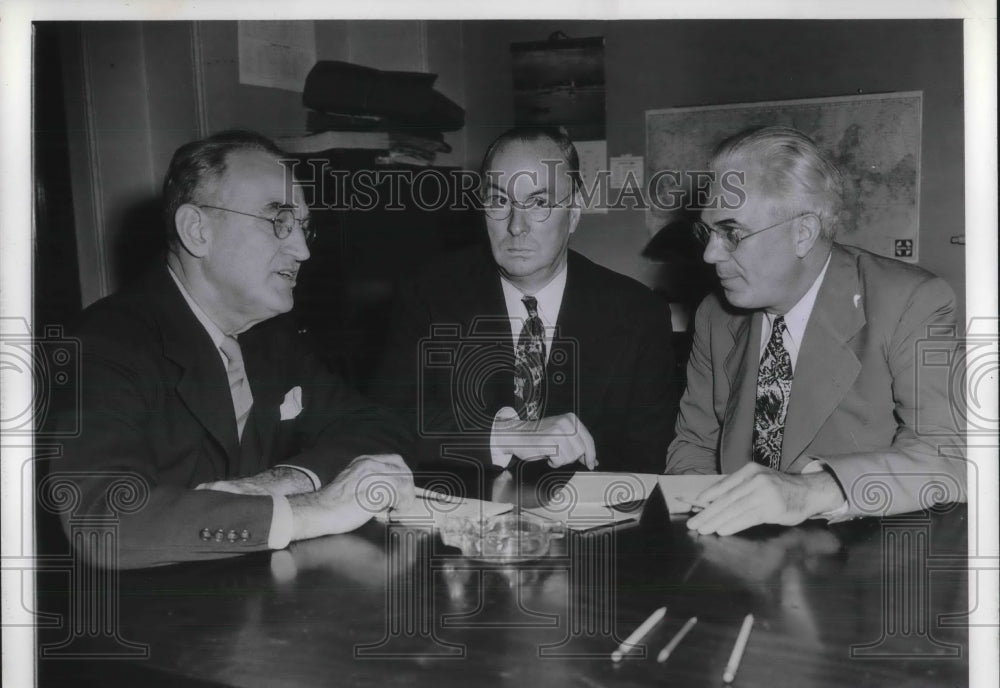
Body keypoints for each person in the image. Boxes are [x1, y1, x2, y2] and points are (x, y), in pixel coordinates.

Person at [50, 130, 415, 568]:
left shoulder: (269, 337)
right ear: (197, 231)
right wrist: (313, 509)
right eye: (278, 220)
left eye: (302, 226)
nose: (301, 249)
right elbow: (103, 520)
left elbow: (378, 425)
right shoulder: (103, 344)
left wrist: (283, 481)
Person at [666, 126, 965, 535]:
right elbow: (695, 447)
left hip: (861, 560)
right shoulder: (715, 315)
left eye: (731, 233)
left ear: (802, 233)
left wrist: (812, 490)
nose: (709, 253)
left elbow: (951, 457)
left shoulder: (911, 301)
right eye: (707, 232)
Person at [371, 126, 677, 474]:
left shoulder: (637, 314)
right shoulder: (428, 296)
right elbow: (384, 423)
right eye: (500, 201)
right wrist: (504, 435)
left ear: (574, 211)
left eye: (539, 203)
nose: (517, 225)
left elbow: (647, 463)